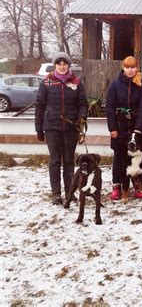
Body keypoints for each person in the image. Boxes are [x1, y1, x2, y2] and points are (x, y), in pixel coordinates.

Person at [35, 52, 88, 205]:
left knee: (69, 160)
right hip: (51, 127)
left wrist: (82, 118)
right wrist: (39, 128)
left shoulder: (76, 82)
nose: (62, 66)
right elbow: (39, 106)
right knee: (55, 161)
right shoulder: (47, 82)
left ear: (69, 65)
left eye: (65, 63)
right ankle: (56, 194)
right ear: (55, 65)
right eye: (59, 63)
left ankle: (69, 192)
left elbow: (82, 104)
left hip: (71, 127)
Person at [106, 56, 142, 200]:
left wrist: (138, 129)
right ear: (123, 68)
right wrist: (112, 128)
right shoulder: (115, 85)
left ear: (137, 67)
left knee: (140, 158)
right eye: (127, 67)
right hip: (120, 126)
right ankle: (117, 186)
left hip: (137, 126)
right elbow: (110, 107)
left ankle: (138, 184)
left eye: (133, 67)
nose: (130, 70)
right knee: (119, 158)